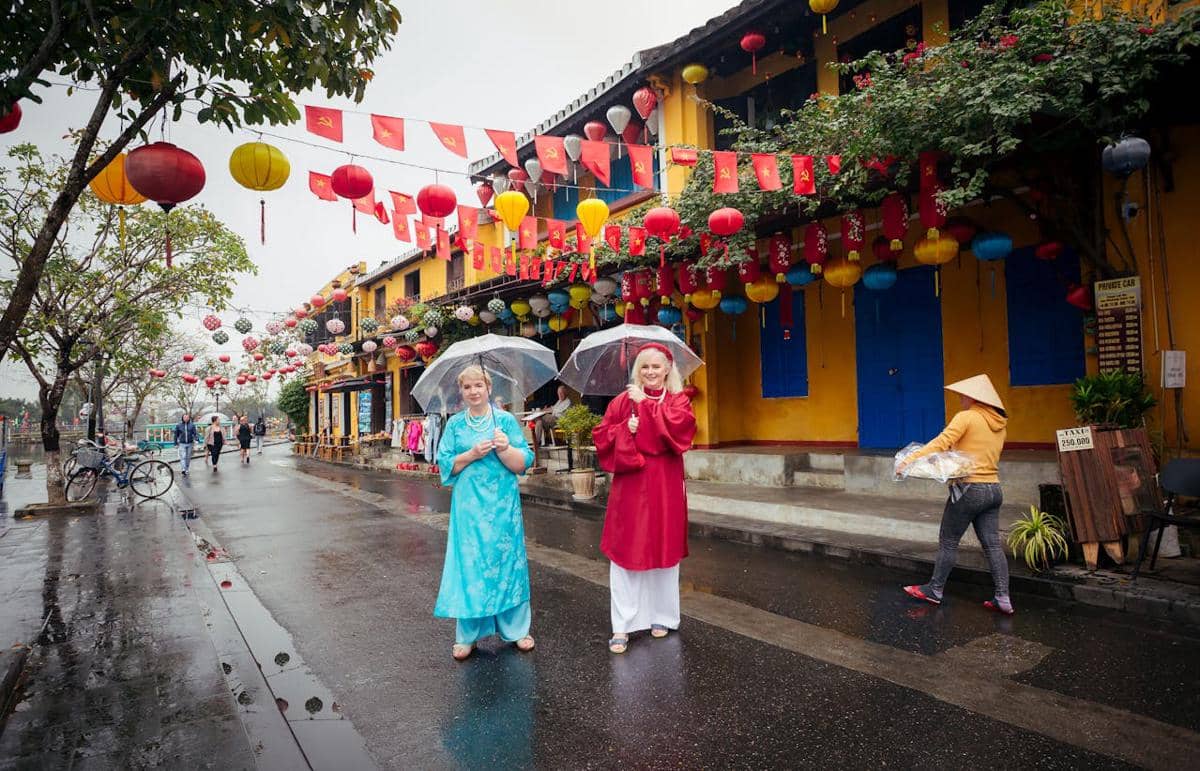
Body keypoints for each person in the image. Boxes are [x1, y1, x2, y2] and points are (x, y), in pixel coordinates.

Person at [592, 343, 696, 654]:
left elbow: (679, 433)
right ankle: (622, 624)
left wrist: (646, 408)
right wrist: (625, 428)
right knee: (628, 548)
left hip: (665, 483)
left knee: (664, 546)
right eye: (645, 367)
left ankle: (662, 615)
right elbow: (601, 435)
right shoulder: (623, 401)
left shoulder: (678, 400)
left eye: (656, 366)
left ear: (667, 370)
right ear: (638, 370)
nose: (650, 372)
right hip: (632, 483)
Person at [435, 365, 536, 661]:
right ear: (461, 391)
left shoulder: (505, 420)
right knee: (470, 565)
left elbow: (522, 462)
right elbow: (445, 464)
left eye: (478, 385)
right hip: (468, 506)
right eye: (467, 387)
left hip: (503, 505)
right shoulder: (455, 424)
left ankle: (517, 630)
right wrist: (471, 454)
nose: (473, 391)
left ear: (489, 388)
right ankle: (467, 635)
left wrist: (505, 449)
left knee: (508, 563)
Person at [901, 374, 1013, 615]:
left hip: (969, 488)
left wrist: (909, 461)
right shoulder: (1000, 425)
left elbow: (942, 442)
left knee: (949, 541)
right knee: (993, 545)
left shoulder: (967, 417)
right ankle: (1003, 597)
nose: (961, 398)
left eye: (963, 395)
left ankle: (934, 590)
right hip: (993, 489)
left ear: (974, 397)